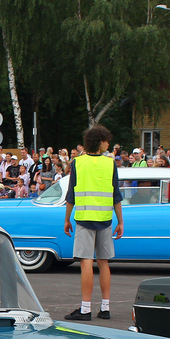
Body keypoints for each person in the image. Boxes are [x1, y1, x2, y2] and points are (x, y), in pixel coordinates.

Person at [63, 124, 124, 322]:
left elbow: (71, 194)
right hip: (106, 218)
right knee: (104, 262)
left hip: (83, 218)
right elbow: (116, 195)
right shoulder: (110, 164)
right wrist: (120, 221)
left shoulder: (78, 163)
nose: (109, 143)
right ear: (100, 142)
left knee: (86, 262)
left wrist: (67, 219)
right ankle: (105, 307)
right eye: (107, 140)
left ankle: (85, 308)